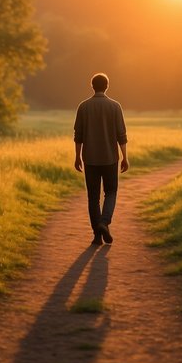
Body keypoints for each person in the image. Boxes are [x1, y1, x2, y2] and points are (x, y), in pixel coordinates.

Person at [73, 72, 129, 246]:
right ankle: (104, 223)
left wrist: (77, 157)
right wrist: (125, 157)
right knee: (111, 192)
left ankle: (97, 236)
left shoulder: (83, 106)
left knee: (93, 197)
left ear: (92, 86)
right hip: (110, 158)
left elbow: (78, 135)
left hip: (90, 159)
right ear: (107, 86)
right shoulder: (115, 106)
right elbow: (122, 135)